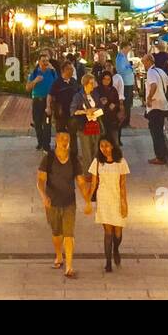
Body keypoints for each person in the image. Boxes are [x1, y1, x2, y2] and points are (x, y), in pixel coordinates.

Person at [37, 130, 93, 279]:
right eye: (62, 138)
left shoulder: (74, 160)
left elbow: (80, 182)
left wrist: (87, 201)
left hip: (69, 202)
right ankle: (58, 255)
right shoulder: (48, 159)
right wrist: (43, 195)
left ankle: (69, 266)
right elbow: (41, 180)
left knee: (68, 234)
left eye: (67, 138)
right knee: (57, 233)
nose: (64, 141)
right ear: (56, 140)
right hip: (52, 202)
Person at [87, 136, 129, 272]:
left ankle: (116, 249)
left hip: (116, 198)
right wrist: (87, 200)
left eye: (107, 145)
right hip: (103, 198)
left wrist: (124, 203)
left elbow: (123, 185)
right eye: (101, 146)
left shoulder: (121, 162)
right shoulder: (97, 162)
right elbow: (93, 183)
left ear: (112, 146)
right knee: (108, 232)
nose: (104, 149)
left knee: (118, 232)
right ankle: (108, 262)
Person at [71, 74, 105, 169]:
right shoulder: (78, 96)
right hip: (84, 126)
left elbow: (101, 107)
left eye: (93, 83)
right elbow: (73, 111)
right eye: (91, 83)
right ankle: (88, 173)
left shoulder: (95, 94)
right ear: (85, 84)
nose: (93, 85)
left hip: (96, 124)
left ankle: (96, 171)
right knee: (87, 151)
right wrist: (86, 111)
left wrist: (96, 110)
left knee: (96, 149)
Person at [26, 51, 58, 151]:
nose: (45, 63)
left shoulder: (52, 72)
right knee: (38, 123)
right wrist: (35, 81)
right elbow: (27, 88)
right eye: (43, 61)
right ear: (39, 62)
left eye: (47, 61)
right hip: (37, 101)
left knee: (47, 124)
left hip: (48, 102)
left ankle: (46, 145)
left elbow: (57, 85)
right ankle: (40, 142)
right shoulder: (34, 73)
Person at [142, 54, 168, 165]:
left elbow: (153, 86)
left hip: (155, 107)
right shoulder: (160, 71)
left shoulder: (151, 72)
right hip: (163, 106)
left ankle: (160, 157)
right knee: (159, 131)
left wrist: (149, 98)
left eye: (144, 62)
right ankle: (162, 155)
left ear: (149, 61)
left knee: (156, 133)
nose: (143, 64)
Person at [48, 61, 80, 134]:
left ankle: (73, 146)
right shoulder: (57, 82)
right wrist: (48, 107)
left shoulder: (73, 81)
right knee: (61, 134)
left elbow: (79, 94)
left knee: (73, 133)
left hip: (72, 113)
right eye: (69, 69)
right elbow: (50, 95)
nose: (71, 71)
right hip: (61, 113)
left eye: (72, 69)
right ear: (63, 70)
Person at [97, 70, 123, 147]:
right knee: (103, 141)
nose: (106, 81)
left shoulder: (113, 90)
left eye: (108, 79)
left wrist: (114, 105)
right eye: (104, 79)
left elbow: (117, 103)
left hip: (112, 118)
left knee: (114, 142)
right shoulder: (97, 90)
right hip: (101, 118)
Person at [114, 43, 136, 128]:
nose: (128, 51)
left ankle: (127, 121)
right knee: (126, 103)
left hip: (128, 82)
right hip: (125, 83)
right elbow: (122, 70)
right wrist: (131, 68)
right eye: (127, 49)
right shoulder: (120, 58)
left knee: (128, 103)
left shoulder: (124, 57)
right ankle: (124, 122)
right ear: (123, 48)